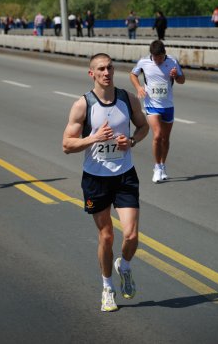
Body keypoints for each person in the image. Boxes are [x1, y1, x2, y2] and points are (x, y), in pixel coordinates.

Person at [63, 53, 149, 312]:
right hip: (95, 179)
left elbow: (144, 127)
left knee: (131, 234)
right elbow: (67, 144)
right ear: (92, 74)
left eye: (110, 67)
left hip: (124, 175)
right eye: (101, 69)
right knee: (107, 236)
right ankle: (107, 288)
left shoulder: (128, 99)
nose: (107, 72)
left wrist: (131, 141)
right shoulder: (83, 105)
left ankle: (124, 265)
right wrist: (94, 138)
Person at [130, 40, 185, 183]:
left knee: (165, 139)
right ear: (151, 55)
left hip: (168, 105)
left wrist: (176, 76)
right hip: (152, 104)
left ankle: (162, 165)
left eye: (159, 58)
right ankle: (156, 167)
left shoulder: (172, 61)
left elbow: (182, 80)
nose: (157, 61)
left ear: (164, 54)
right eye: (154, 58)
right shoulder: (144, 62)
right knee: (157, 135)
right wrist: (138, 88)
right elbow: (132, 74)